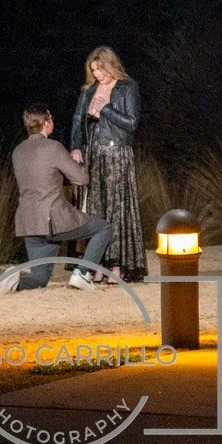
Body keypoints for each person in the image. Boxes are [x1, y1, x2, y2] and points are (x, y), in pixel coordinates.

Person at [0, 104, 112, 293]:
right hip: (53, 220)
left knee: (39, 279)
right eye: (51, 119)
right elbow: (82, 179)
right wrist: (73, 161)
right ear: (47, 123)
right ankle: (83, 274)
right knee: (104, 228)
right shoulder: (53, 147)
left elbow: (42, 180)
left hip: (28, 223)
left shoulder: (18, 152)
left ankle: (12, 281)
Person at [70, 45, 147, 283]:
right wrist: (76, 146)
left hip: (117, 154)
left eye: (99, 69)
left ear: (110, 64)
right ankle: (96, 265)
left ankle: (117, 266)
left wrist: (106, 110)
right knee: (96, 209)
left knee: (117, 209)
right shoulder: (87, 91)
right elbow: (77, 120)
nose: (97, 75)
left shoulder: (127, 87)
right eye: (93, 70)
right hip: (93, 154)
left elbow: (132, 123)